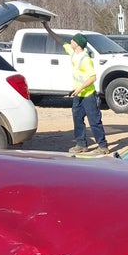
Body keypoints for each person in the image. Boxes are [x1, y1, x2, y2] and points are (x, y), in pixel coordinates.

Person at [42, 22, 109, 155]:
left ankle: (103, 146)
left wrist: (79, 89)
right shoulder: (73, 53)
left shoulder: (85, 59)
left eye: (73, 40)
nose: (70, 41)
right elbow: (60, 41)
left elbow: (92, 78)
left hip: (88, 95)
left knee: (94, 121)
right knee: (77, 119)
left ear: (77, 44)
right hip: (78, 94)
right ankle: (81, 144)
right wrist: (47, 28)